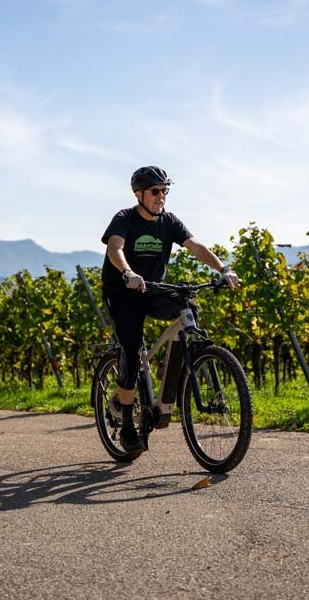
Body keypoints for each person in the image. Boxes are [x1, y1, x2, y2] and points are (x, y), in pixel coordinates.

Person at [100, 165, 238, 453]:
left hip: (151, 290)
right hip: (123, 293)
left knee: (187, 303)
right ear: (138, 194)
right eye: (155, 191)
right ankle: (126, 425)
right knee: (131, 349)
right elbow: (115, 248)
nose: (161, 196)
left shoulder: (169, 221)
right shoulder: (124, 218)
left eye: (164, 191)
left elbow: (196, 247)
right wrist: (127, 273)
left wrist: (223, 268)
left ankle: (173, 369)